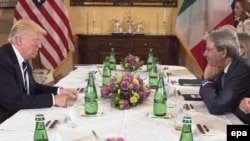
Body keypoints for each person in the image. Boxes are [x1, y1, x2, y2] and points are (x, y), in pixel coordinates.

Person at [0, 19, 78, 123]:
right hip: (5, 123)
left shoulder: (22, 59)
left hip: (20, 116)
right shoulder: (3, 60)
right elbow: (14, 101)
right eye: (35, 40)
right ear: (19, 40)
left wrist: (59, 91)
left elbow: (33, 88)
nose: (39, 45)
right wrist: (54, 99)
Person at [199, 27, 250, 124]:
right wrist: (208, 81)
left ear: (223, 52)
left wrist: (208, 81)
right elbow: (210, 96)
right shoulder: (225, 66)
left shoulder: (242, 70)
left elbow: (216, 107)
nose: (204, 54)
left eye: (208, 50)